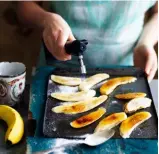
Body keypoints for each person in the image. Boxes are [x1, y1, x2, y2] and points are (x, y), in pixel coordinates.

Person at [17, 1, 158, 82]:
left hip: (126, 68)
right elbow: (24, 6)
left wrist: (146, 42)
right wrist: (47, 19)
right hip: (58, 67)